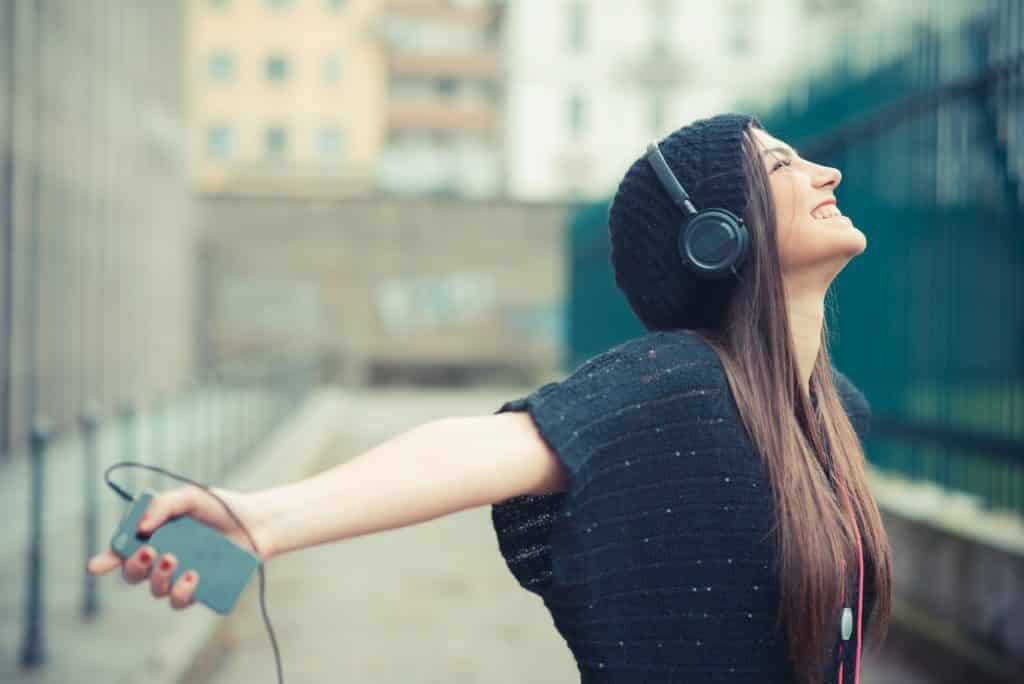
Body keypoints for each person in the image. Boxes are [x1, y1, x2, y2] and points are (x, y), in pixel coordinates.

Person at [88, 112, 892, 684]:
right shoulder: (679, 386)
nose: (827, 172)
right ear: (715, 233)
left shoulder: (838, 413)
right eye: (782, 166)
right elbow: (481, 447)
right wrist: (260, 520)